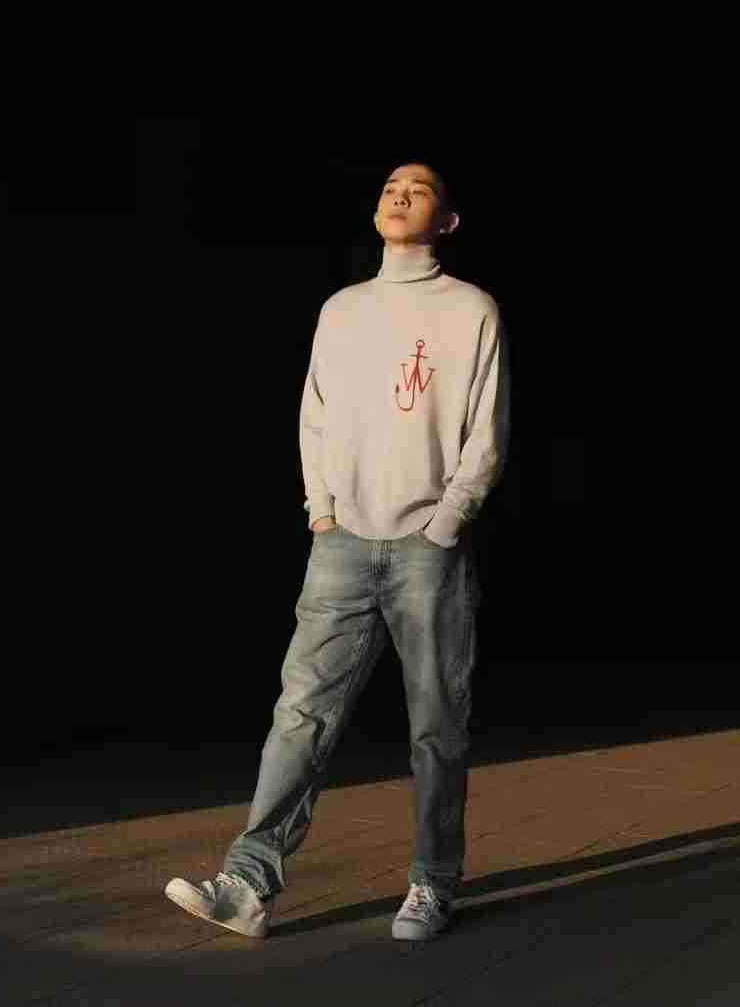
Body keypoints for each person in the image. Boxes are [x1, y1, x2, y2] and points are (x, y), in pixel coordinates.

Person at [166, 162, 510, 942]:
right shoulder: (343, 309)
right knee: (301, 713)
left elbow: (486, 432)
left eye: (419, 188)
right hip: (343, 542)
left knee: (436, 725)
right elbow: (314, 415)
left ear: (448, 221)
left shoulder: (471, 311)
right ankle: (249, 885)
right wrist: (321, 510)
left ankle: (432, 883)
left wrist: (446, 522)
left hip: (428, 546)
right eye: (390, 186)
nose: (400, 194)